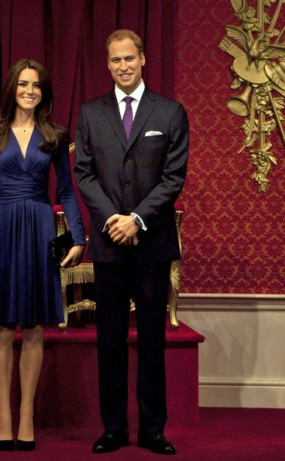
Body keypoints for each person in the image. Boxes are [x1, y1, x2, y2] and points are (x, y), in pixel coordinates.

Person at [74, 29, 189, 455]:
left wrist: (138, 219)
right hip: (107, 244)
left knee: (152, 343)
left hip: (153, 244)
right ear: (107, 64)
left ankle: (153, 430)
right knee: (110, 342)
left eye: (129, 58)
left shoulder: (171, 112)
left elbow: (173, 178)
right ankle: (114, 429)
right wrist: (113, 221)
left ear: (142, 59)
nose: (122, 66)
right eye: (115, 60)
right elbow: (83, 174)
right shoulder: (89, 113)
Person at [0, 58, 85, 452]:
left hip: (38, 224)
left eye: (36, 85)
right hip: (1, 228)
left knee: (34, 327)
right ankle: (4, 413)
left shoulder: (54, 135)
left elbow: (67, 190)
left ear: (43, 91)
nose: (29, 91)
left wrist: (78, 237)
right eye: (22, 84)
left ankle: (27, 415)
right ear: (11, 89)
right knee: (2, 327)